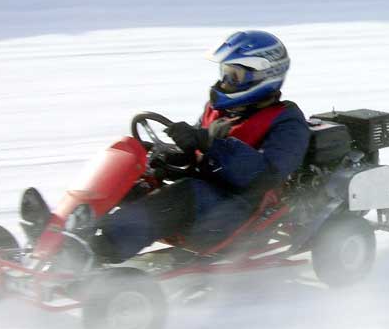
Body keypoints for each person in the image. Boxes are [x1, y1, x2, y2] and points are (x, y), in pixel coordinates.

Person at [91, 30, 311, 262]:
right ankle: (77, 230)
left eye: (235, 76)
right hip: (208, 197)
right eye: (225, 74)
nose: (226, 82)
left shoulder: (287, 121)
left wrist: (210, 144)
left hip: (238, 214)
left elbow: (266, 175)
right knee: (138, 179)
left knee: (180, 196)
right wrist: (168, 157)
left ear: (265, 76)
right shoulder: (220, 110)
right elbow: (199, 154)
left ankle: (103, 249)